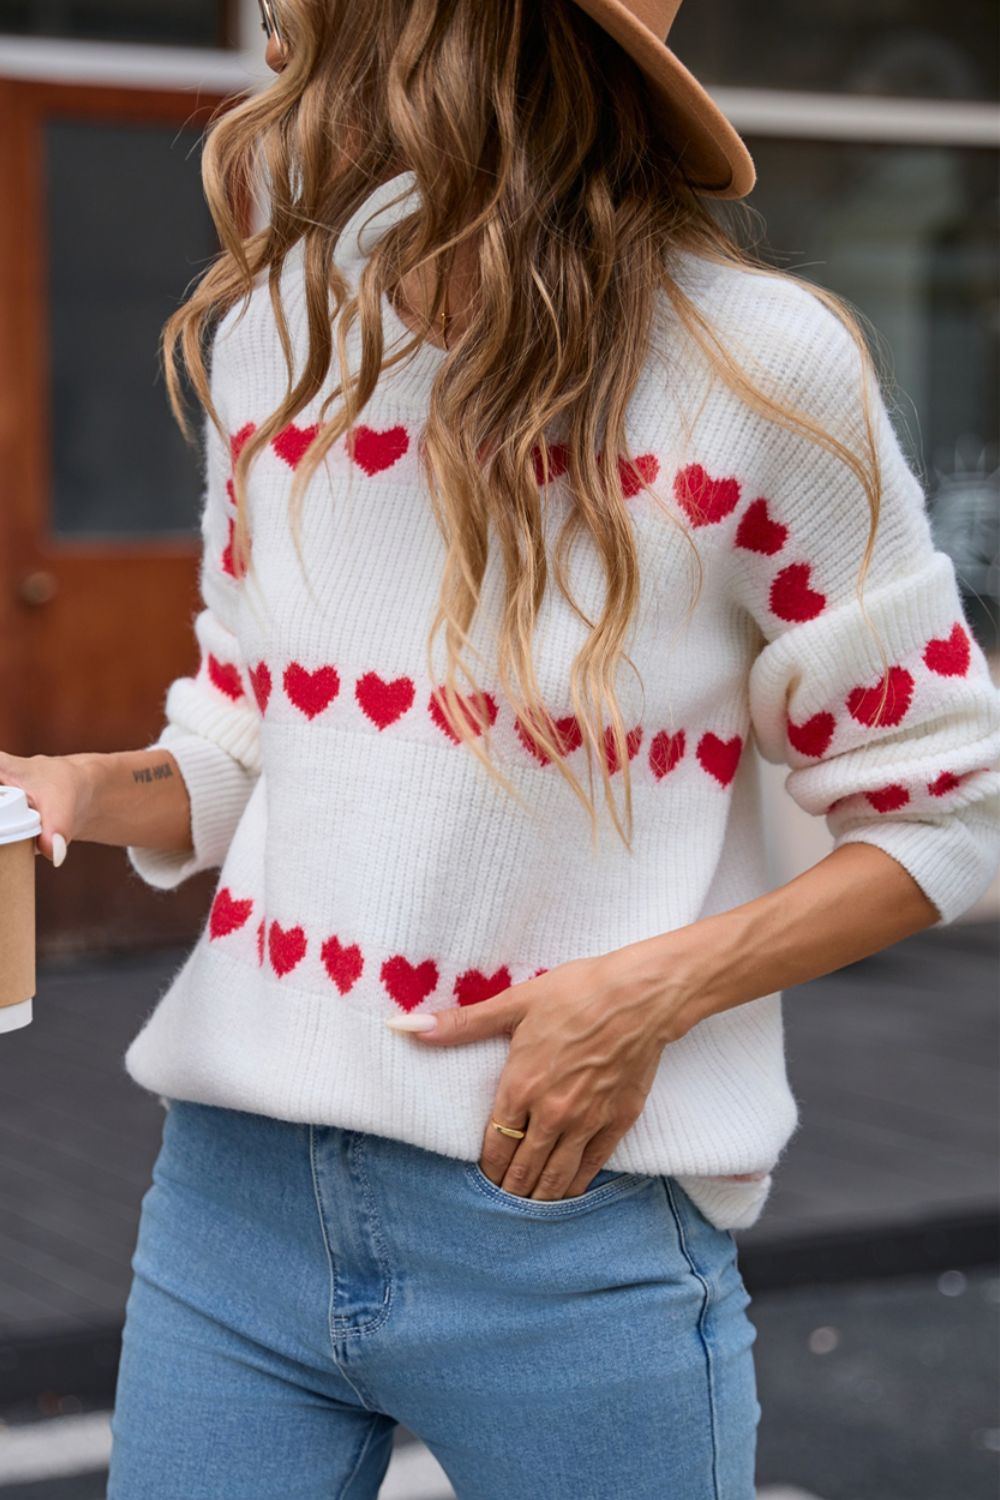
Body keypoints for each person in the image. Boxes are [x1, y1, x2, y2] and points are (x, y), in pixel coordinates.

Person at [3, 1, 999, 1495]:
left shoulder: (760, 373)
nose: (275, 39)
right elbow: (243, 731)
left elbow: (950, 814)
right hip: (230, 1206)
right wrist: (89, 788)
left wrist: (650, 997)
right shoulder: (286, 339)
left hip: (569, 1224)